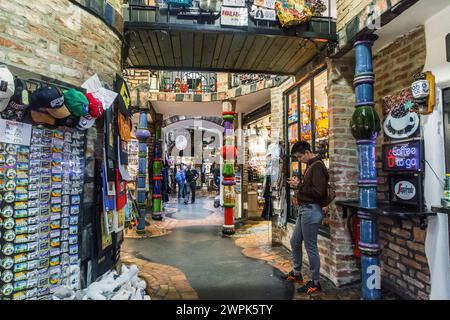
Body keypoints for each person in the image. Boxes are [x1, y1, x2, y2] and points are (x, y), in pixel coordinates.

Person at [281, 141, 329, 294]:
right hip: (305, 210)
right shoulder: (311, 165)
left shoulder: (318, 167)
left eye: (300, 156)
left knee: (311, 246)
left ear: (308, 152)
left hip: (311, 211)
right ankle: (297, 273)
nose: (299, 159)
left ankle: (315, 282)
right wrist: (300, 184)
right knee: (295, 241)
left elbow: (319, 192)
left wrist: (299, 185)